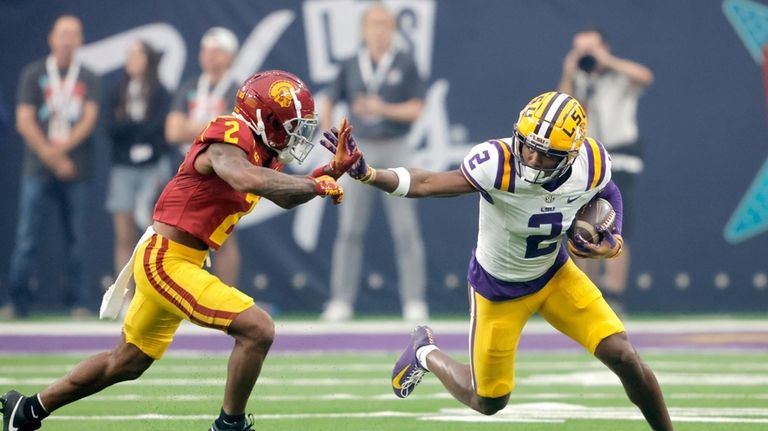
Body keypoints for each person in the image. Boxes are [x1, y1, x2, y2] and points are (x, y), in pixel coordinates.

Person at [0, 70, 359, 431]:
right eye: (289, 124)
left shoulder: (264, 154)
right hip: (167, 259)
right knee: (258, 329)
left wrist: (329, 172)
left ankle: (28, 409)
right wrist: (314, 184)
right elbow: (244, 178)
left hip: (179, 259)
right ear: (264, 117)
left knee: (124, 362)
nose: (296, 134)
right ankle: (230, 426)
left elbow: (281, 195)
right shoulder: (229, 133)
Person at [322, 91, 673, 430]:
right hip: (498, 289)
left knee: (624, 356)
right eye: (529, 147)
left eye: (547, 155)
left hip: (555, 275)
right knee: (488, 401)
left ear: (571, 155)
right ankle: (425, 351)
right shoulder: (498, 162)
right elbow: (428, 182)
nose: (533, 160)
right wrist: (370, 174)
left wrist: (612, 239)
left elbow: (608, 191)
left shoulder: (591, 162)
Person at [319, 3, 428, 322]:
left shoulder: (405, 62)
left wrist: (382, 109)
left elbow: (416, 109)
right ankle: (341, 299)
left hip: (396, 146)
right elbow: (328, 99)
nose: (379, 30)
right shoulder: (351, 63)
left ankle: (414, 299)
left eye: (384, 24)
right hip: (359, 148)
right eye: (373, 24)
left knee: (405, 227)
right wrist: (333, 137)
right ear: (363, 29)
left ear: (393, 29)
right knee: (350, 226)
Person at [3, 15, 101, 318]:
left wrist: (63, 152)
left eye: (74, 33)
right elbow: (24, 120)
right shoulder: (34, 74)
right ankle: (17, 303)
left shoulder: (88, 76)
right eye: (63, 33)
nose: (68, 39)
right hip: (38, 167)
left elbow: (89, 119)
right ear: (51, 38)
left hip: (76, 167)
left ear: (81, 40)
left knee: (77, 238)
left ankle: (78, 302)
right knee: (27, 236)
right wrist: (53, 156)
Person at [558, 27, 654, 314]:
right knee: (581, 225)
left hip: (620, 156)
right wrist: (570, 69)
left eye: (591, 48)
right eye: (580, 48)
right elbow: (561, 107)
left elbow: (645, 77)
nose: (586, 54)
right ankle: (586, 292)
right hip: (586, 158)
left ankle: (615, 293)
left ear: (605, 48)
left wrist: (606, 62)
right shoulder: (578, 78)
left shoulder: (620, 75)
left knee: (614, 225)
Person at [166, 27, 243, 287]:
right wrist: (213, 126)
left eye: (217, 51)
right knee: (178, 232)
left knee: (224, 235)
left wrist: (195, 127)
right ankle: (183, 293)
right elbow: (173, 130)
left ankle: (228, 295)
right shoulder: (190, 87)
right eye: (206, 50)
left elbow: (236, 132)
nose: (210, 56)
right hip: (187, 168)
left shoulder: (238, 90)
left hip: (222, 169)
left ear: (231, 57)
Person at [106, 40, 172, 304]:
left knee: (152, 234)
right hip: (123, 168)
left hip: (153, 167)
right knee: (124, 235)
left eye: (136, 54)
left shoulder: (161, 92)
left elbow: (159, 128)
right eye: (128, 54)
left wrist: (132, 128)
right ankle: (124, 299)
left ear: (148, 59)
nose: (131, 59)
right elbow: (110, 128)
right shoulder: (117, 91)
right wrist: (135, 128)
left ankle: (152, 297)